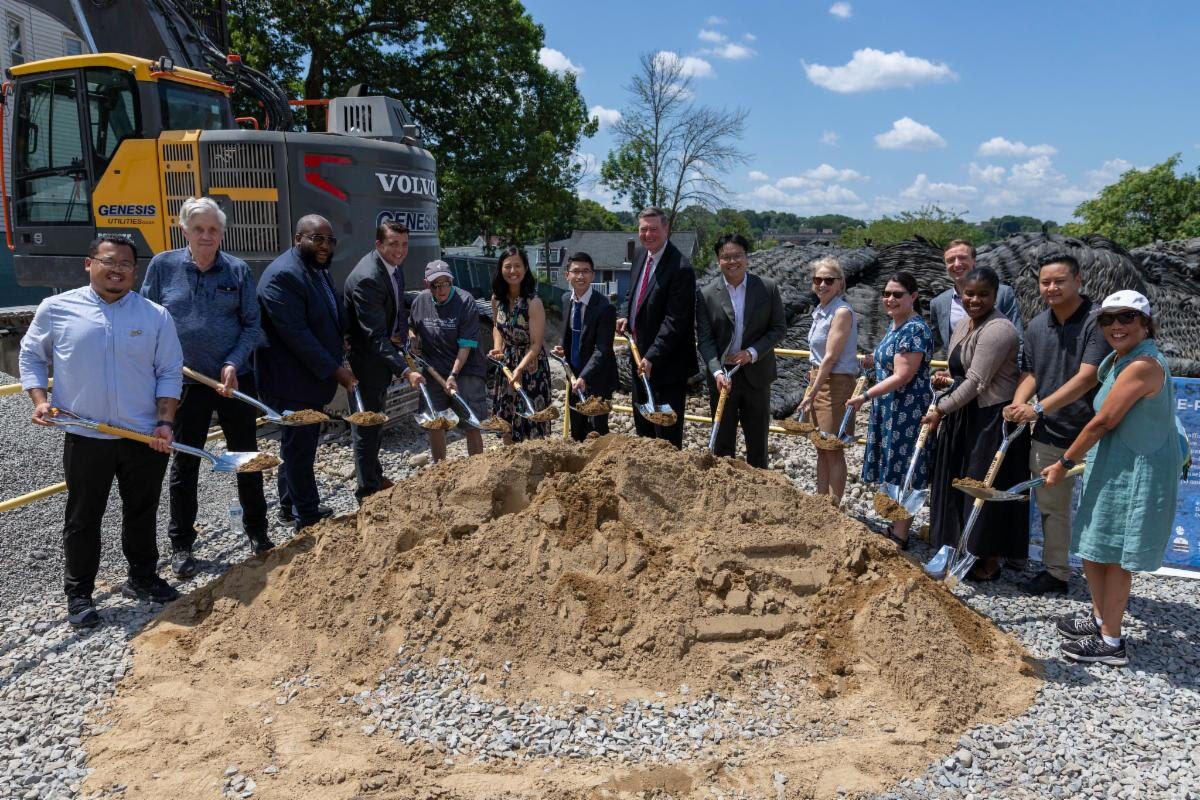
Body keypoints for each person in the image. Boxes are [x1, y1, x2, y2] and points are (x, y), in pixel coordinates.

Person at [19, 234, 183, 627]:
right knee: (83, 517)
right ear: (88, 264)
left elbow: (169, 372)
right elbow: (31, 355)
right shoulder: (57, 309)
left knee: (142, 511)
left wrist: (164, 422)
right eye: (108, 261)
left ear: (135, 271)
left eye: (125, 264)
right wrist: (39, 400)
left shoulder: (154, 316)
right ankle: (79, 595)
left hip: (142, 435)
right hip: (85, 433)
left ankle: (142, 577)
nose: (117, 270)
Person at [1043, 291, 1186, 666]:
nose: (1116, 326)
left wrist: (1064, 461)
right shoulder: (1119, 360)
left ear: (1145, 323)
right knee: (1095, 544)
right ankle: (1099, 616)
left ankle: (1111, 642)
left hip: (1137, 471)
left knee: (1118, 555)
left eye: (1126, 318)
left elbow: (1104, 420)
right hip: (1113, 464)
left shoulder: (1142, 365)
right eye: (1107, 320)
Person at [141, 197, 271, 578]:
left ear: (222, 233)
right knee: (185, 461)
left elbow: (252, 325)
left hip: (232, 380)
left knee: (246, 457)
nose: (206, 236)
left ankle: (257, 532)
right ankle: (181, 544)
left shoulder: (238, 271)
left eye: (213, 229)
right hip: (183, 382)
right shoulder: (163, 266)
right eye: (198, 229)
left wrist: (233, 361)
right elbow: (148, 319)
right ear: (184, 230)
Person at [1002, 253, 1110, 595]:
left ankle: (1107, 580)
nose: (1051, 288)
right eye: (1045, 282)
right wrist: (1019, 402)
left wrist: (1037, 408)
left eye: (1059, 281)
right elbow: (1031, 372)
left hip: (1098, 434)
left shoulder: (1099, 322)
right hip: (1050, 434)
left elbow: (1088, 377)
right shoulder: (1036, 325)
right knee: (1052, 508)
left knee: (1101, 510)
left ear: (1078, 281)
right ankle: (1057, 573)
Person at [925, 266, 1028, 581]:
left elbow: (978, 382)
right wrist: (946, 380)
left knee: (981, 487)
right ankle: (959, 547)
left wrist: (939, 409)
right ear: (960, 293)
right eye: (969, 293)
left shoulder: (1000, 329)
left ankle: (987, 560)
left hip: (989, 419)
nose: (975, 299)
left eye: (983, 294)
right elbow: (961, 373)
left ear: (996, 295)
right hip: (964, 415)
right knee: (955, 484)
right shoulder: (963, 326)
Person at [256, 215, 356, 530]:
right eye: (317, 239)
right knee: (299, 448)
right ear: (298, 238)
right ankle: (308, 518)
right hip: (290, 381)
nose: (325, 246)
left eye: (330, 240)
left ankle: (290, 506)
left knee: (298, 444)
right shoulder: (283, 276)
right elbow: (297, 335)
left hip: (309, 379)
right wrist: (337, 371)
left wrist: (343, 337)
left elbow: (329, 311)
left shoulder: (316, 269)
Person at [847, 271, 934, 548]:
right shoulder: (896, 325)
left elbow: (903, 376)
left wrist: (865, 395)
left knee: (903, 466)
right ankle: (895, 526)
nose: (890, 299)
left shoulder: (915, 329)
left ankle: (900, 534)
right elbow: (888, 363)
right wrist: (871, 362)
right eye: (887, 294)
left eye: (897, 294)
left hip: (906, 410)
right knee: (891, 465)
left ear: (913, 297)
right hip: (890, 408)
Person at [343, 220, 423, 502]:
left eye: (404, 244)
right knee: (367, 427)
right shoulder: (368, 278)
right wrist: (404, 370)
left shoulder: (392, 268)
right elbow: (375, 337)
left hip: (380, 356)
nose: (400, 250)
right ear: (378, 245)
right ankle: (367, 493)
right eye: (393, 244)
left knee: (377, 423)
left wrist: (404, 334)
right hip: (366, 362)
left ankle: (374, 476)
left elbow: (397, 305)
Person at [695, 233, 786, 468]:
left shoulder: (767, 288)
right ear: (718, 261)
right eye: (726, 257)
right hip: (723, 379)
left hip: (757, 375)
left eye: (737, 256)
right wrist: (716, 372)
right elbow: (705, 340)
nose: (732, 261)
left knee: (758, 443)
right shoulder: (706, 294)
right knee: (722, 445)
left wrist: (752, 353)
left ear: (747, 258)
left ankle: (758, 495)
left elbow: (778, 329)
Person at [615, 206, 697, 449]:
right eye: (643, 229)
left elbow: (676, 320)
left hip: (667, 366)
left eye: (653, 229)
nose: (648, 234)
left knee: (666, 439)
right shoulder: (641, 255)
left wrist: (652, 356)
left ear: (666, 229)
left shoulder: (681, 267)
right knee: (643, 432)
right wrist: (624, 315)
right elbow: (631, 294)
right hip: (639, 361)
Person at [408, 260, 487, 460]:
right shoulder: (420, 301)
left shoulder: (465, 301)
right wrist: (412, 336)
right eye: (436, 285)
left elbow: (466, 345)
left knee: (471, 421)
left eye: (446, 283)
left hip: (466, 369)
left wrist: (453, 374)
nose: (442, 289)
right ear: (427, 284)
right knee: (435, 421)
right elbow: (411, 326)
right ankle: (440, 469)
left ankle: (477, 469)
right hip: (434, 369)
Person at [799, 256, 859, 504]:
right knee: (820, 447)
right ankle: (821, 503)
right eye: (817, 279)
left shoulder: (841, 311)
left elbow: (832, 356)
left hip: (835, 384)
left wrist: (811, 392)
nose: (822, 284)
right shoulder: (821, 310)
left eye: (828, 280)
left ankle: (833, 507)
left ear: (839, 283)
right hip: (819, 379)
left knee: (832, 448)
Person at [489, 246, 552, 443]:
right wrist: (498, 348)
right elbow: (497, 327)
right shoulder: (497, 299)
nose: (513, 271)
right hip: (507, 364)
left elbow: (536, 344)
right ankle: (510, 464)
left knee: (532, 420)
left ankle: (536, 467)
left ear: (525, 269)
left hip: (531, 367)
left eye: (517, 266)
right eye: (508, 266)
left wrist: (520, 368)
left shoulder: (534, 303)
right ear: (501, 269)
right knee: (507, 421)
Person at [552, 252, 617, 441]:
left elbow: (603, 349)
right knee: (577, 429)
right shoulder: (566, 299)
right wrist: (562, 349)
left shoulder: (605, 307)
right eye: (576, 271)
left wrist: (584, 377)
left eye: (586, 271)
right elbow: (571, 334)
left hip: (598, 377)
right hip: (573, 376)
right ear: (567, 275)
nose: (581, 276)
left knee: (597, 432)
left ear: (593, 275)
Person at [930, 239, 1023, 356]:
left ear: (974, 260)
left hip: (997, 370)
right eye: (950, 260)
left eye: (962, 258)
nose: (957, 264)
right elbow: (937, 343)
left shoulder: (1002, 293)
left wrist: (1018, 371)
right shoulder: (938, 303)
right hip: (957, 373)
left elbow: (1017, 337)